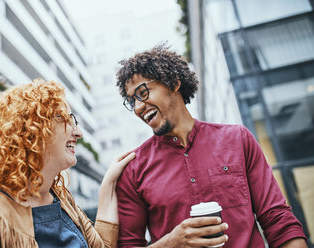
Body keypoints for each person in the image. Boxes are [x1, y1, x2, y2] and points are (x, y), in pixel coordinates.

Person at [115, 45, 307, 248]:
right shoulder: (133, 169)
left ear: (173, 83)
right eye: (131, 100)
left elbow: (278, 220)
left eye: (142, 92)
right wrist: (171, 243)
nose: (138, 107)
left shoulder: (238, 139)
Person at [0, 79, 135, 248]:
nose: (78, 133)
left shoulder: (63, 202)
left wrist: (108, 182)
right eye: (62, 118)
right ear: (30, 131)